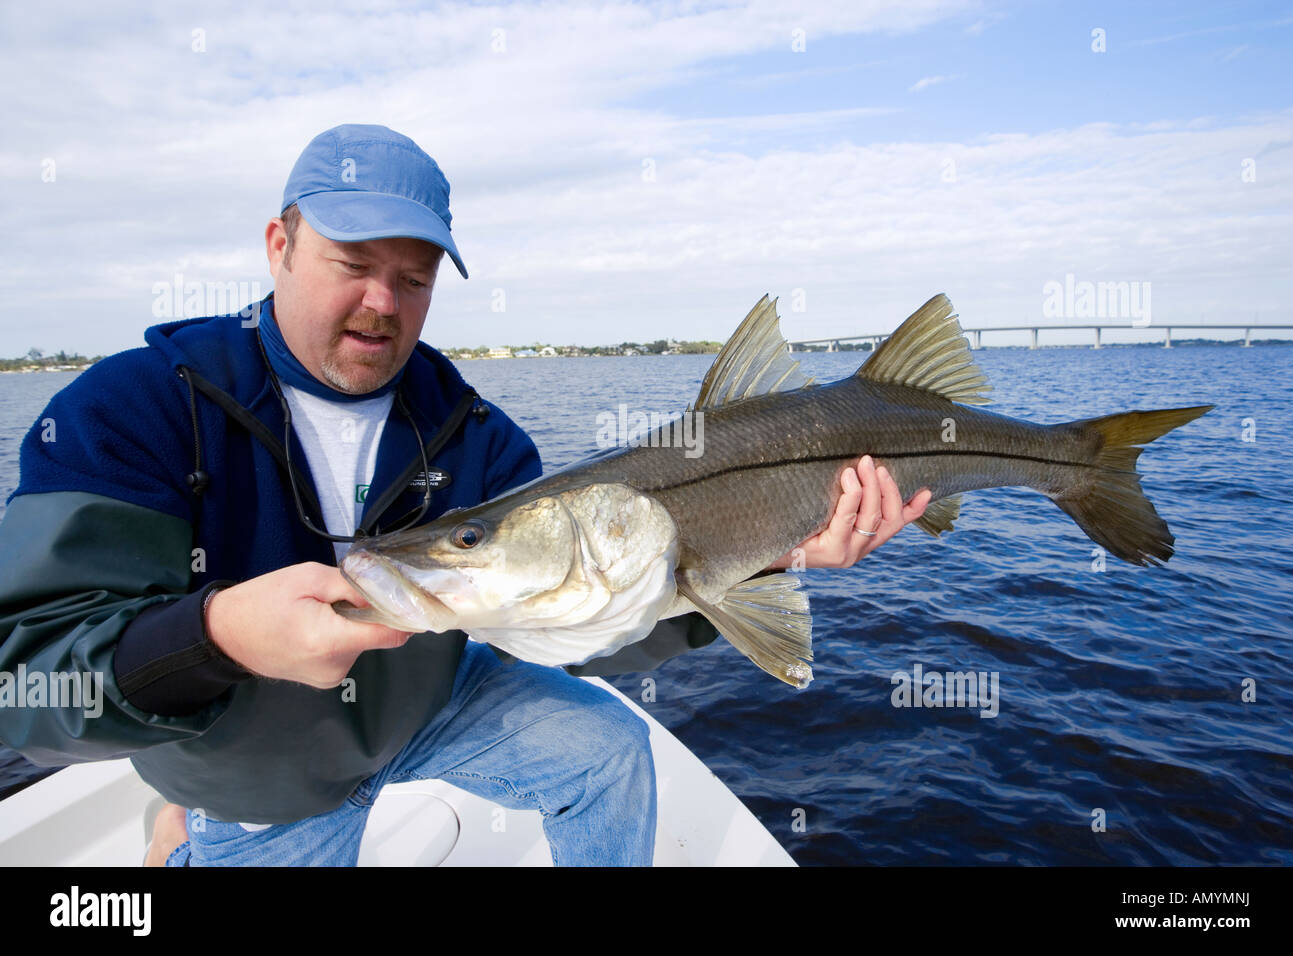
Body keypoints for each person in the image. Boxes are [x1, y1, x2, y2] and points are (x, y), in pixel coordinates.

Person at [0, 125, 931, 867]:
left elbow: (585, 610)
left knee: (606, 751)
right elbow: (23, 682)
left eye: (412, 278)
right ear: (279, 245)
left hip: (430, 705)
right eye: (350, 263)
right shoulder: (128, 409)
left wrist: (770, 553)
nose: (381, 302)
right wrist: (217, 638)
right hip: (260, 778)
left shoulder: (476, 434)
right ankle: (182, 830)